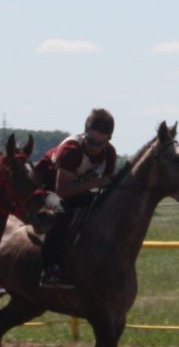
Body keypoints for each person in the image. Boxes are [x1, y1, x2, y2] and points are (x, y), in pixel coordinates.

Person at [33, 108, 120, 289]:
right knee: (63, 212)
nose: (94, 147)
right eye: (90, 141)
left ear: (108, 139)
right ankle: (48, 268)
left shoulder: (110, 153)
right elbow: (62, 191)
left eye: (100, 143)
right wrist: (96, 182)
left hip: (74, 190)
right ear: (85, 133)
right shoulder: (72, 150)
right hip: (44, 190)